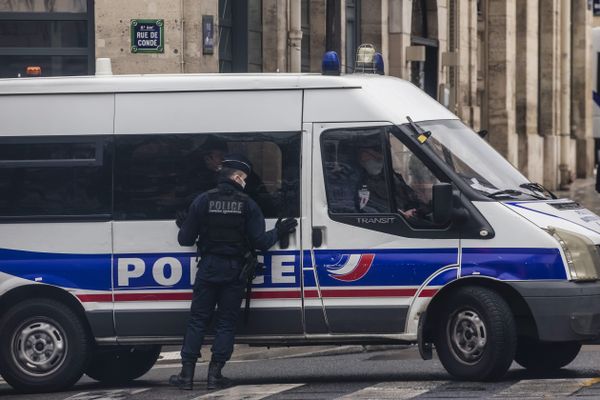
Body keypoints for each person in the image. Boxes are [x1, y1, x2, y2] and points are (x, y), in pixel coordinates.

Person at [169, 154, 297, 391]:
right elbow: (260, 242)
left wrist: (184, 224)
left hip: (208, 268)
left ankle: (186, 376)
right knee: (226, 322)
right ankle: (215, 375)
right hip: (234, 270)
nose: (246, 183)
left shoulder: (201, 201)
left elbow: (185, 238)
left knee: (197, 319)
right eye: (245, 178)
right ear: (237, 177)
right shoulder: (248, 204)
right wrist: (279, 231)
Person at [356, 145, 429, 220]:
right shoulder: (358, 182)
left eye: (377, 158)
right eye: (364, 158)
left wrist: (416, 210)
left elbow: (410, 197)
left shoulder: (391, 177)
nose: (366, 160)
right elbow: (367, 207)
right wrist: (400, 214)